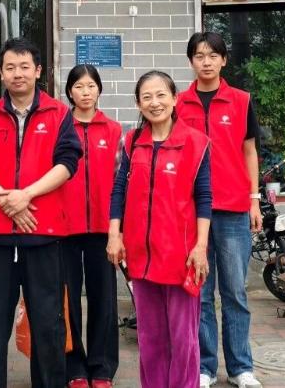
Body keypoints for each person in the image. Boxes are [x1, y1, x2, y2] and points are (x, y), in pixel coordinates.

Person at [0, 37, 82, 388]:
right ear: (1, 73)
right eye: (10, 67)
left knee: (48, 324)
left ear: (38, 70)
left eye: (24, 66)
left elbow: (68, 162)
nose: (18, 74)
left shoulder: (59, 113)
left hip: (43, 233)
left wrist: (26, 195)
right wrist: (8, 201)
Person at [106, 71, 212, 388]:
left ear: (175, 98)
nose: (155, 102)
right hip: (141, 257)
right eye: (147, 97)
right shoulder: (131, 142)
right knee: (150, 338)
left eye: (161, 95)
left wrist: (201, 247)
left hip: (181, 257)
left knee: (183, 339)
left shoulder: (196, 142)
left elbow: (204, 197)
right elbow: (118, 191)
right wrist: (115, 234)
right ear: (138, 104)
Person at [176, 32, 263, 388]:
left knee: (235, 292)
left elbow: (250, 151)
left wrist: (254, 199)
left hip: (232, 208)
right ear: (191, 61)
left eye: (213, 55)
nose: (206, 61)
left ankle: (241, 367)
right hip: (191, 212)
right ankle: (205, 367)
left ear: (224, 60)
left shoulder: (241, 100)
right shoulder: (179, 103)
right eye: (199, 55)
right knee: (199, 292)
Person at [61, 65, 122, 388]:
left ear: (99, 89)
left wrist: (118, 229)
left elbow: (120, 182)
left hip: (103, 228)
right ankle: (73, 365)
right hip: (64, 227)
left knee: (104, 298)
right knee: (67, 300)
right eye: (79, 87)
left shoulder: (113, 130)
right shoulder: (60, 127)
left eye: (91, 86)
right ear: (69, 92)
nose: (85, 92)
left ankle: (101, 367)